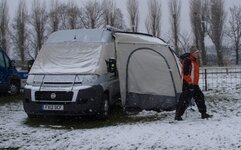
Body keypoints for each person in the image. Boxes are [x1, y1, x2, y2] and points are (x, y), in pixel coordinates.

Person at [175, 46, 212, 121]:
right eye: (196, 53)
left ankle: (203, 113)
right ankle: (178, 116)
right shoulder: (188, 60)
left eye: (198, 53)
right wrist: (189, 83)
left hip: (194, 84)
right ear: (192, 53)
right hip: (188, 84)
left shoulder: (195, 61)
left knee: (200, 97)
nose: (198, 54)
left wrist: (194, 83)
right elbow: (185, 73)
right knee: (185, 100)